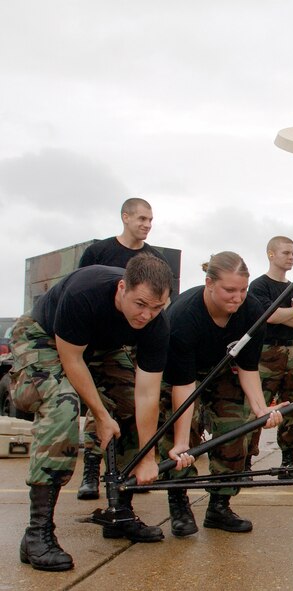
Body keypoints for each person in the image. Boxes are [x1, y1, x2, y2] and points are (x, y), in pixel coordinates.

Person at [11, 255, 173, 571]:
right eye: (140, 304)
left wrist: (148, 455)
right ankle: (37, 533)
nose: (146, 315)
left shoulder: (156, 322)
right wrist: (100, 416)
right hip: (44, 335)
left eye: (157, 308)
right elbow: (72, 361)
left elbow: (147, 393)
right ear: (122, 287)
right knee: (63, 406)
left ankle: (119, 512)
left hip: (102, 347)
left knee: (127, 405)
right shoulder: (84, 293)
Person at [159, 252, 285, 537]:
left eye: (242, 289)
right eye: (230, 290)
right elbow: (184, 386)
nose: (237, 297)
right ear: (209, 284)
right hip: (180, 375)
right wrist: (181, 442)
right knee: (181, 435)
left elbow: (248, 367)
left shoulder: (252, 312)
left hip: (222, 370)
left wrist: (261, 409)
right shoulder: (183, 316)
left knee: (234, 430)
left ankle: (219, 505)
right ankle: (178, 501)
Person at [76, 197, 171, 501]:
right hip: (87, 340)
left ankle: (118, 473)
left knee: (129, 401)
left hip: (125, 343)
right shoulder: (99, 252)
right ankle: (90, 471)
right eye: (142, 218)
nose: (147, 225)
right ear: (125, 217)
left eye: (151, 220)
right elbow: (82, 290)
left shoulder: (154, 259)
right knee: (97, 407)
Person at [245, 237, 293, 478]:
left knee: (292, 406)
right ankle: (244, 463)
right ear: (271, 254)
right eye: (286, 253)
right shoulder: (259, 286)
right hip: (266, 352)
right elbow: (268, 317)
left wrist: (284, 312)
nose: (291, 257)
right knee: (257, 407)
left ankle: (288, 462)